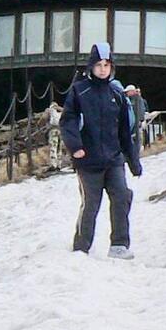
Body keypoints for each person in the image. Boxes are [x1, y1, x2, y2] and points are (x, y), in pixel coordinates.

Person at [60, 41, 142, 259]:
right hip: (88, 161)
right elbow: (67, 121)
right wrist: (75, 147)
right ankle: (81, 247)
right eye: (99, 64)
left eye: (107, 64)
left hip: (114, 159)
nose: (103, 68)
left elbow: (125, 131)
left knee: (122, 197)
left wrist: (133, 161)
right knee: (91, 205)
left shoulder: (117, 95)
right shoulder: (79, 91)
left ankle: (119, 245)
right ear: (91, 67)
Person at [124, 84, 148, 150]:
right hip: (132, 121)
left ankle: (138, 150)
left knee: (137, 136)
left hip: (137, 121)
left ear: (132, 91)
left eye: (127, 92)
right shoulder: (128, 99)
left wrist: (140, 120)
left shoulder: (138, 99)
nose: (126, 93)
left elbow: (141, 110)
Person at [46, 98, 65, 169]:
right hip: (61, 130)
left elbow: (44, 118)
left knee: (53, 147)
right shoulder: (61, 111)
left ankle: (53, 164)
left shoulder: (49, 110)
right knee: (59, 147)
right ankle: (59, 164)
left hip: (53, 130)